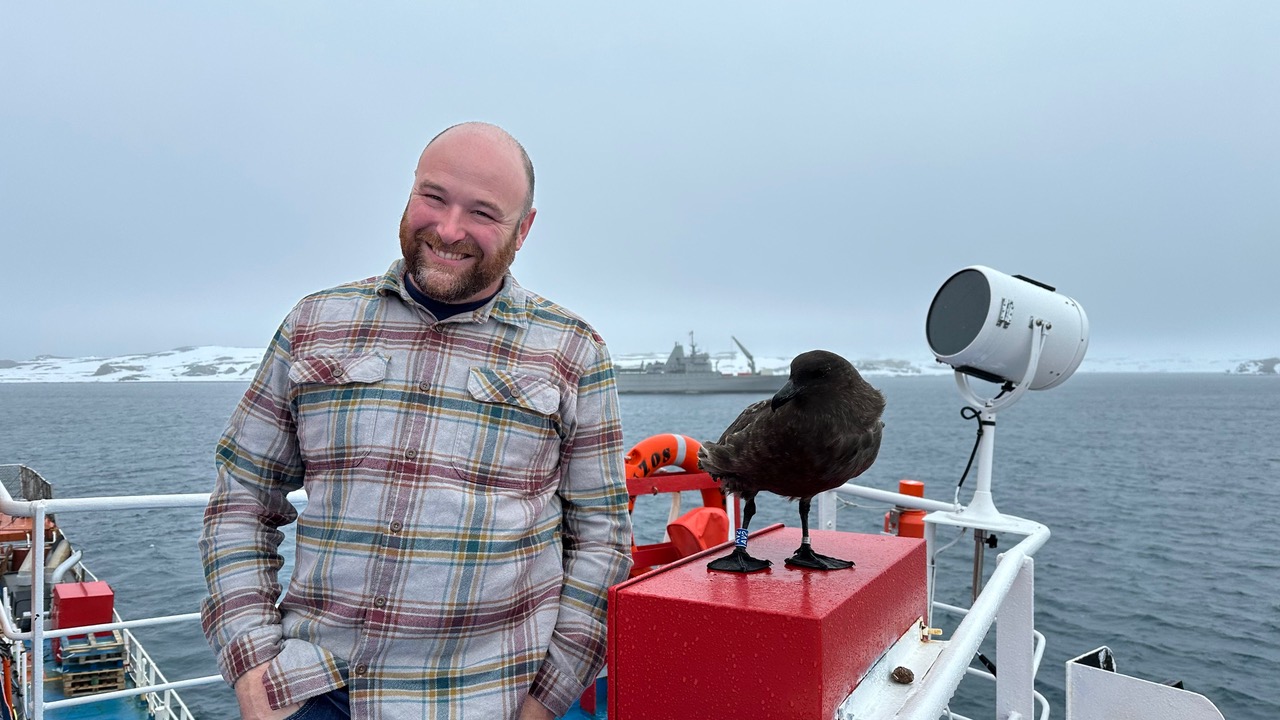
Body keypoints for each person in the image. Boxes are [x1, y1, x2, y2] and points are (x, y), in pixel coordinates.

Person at [199, 122, 633, 720]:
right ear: (410, 194)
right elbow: (244, 496)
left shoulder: (573, 351)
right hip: (313, 694)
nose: (449, 229)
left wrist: (544, 699)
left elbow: (602, 538)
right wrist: (252, 665)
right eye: (434, 197)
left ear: (524, 229)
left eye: (482, 212)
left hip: (486, 701)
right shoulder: (315, 323)